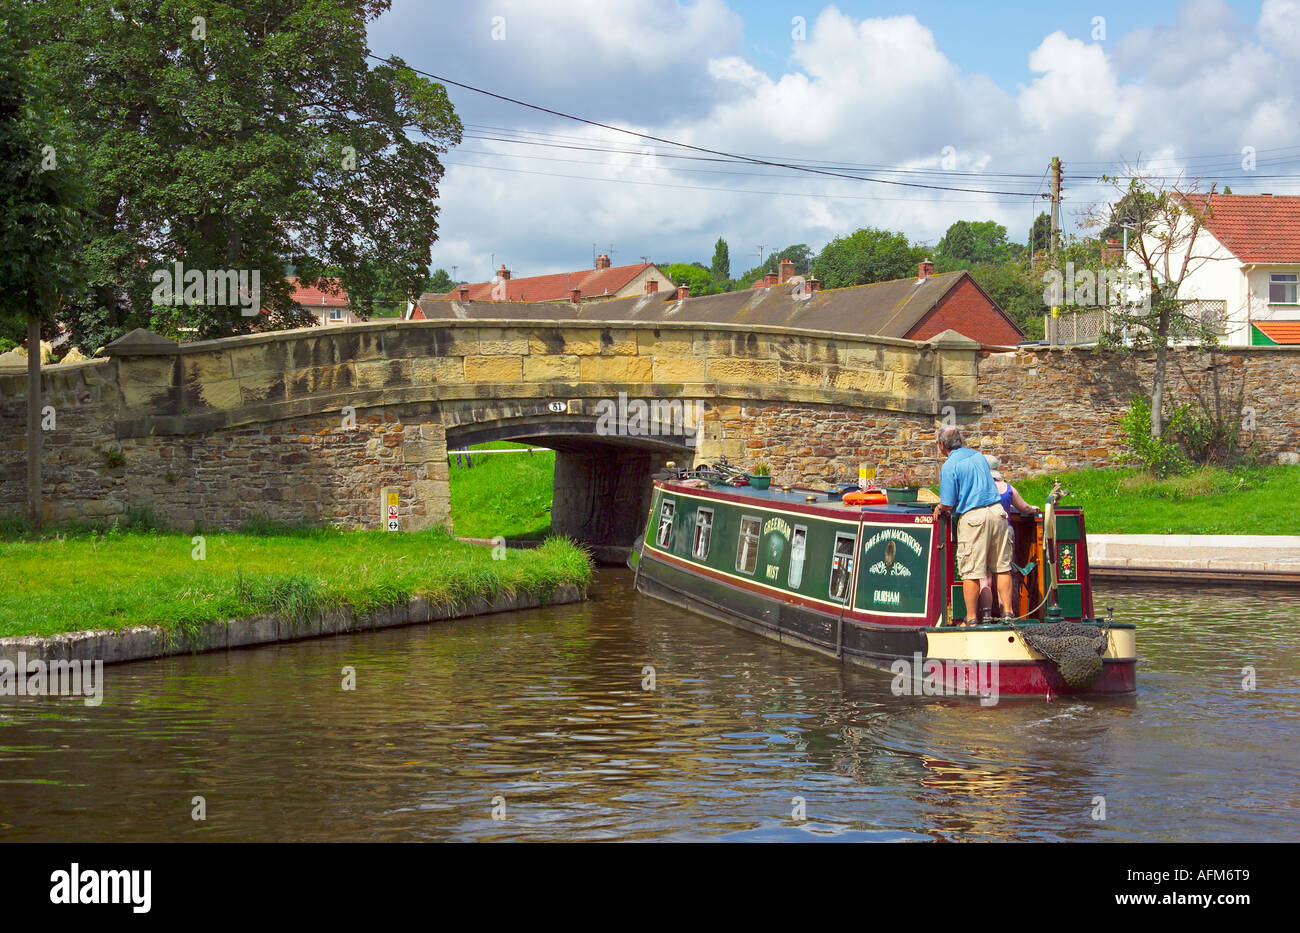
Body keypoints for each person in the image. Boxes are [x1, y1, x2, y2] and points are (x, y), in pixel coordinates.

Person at [932, 426, 1012, 625]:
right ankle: (1008, 615)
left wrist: (939, 507)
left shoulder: (949, 466)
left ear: (942, 445)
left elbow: (948, 503)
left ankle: (971, 619)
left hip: (973, 517)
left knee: (971, 572)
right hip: (997, 512)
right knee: (1002, 567)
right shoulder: (978, 457)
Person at [983, 454, 1041, 616]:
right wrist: (1033, 509)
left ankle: (986, 614)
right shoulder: (1008, 488)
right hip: (1005, 531)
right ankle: (1007, 613)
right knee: (1004, 571)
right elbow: (1024, 508)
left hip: (983, 531)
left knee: (985, 575)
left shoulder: (978, 487)